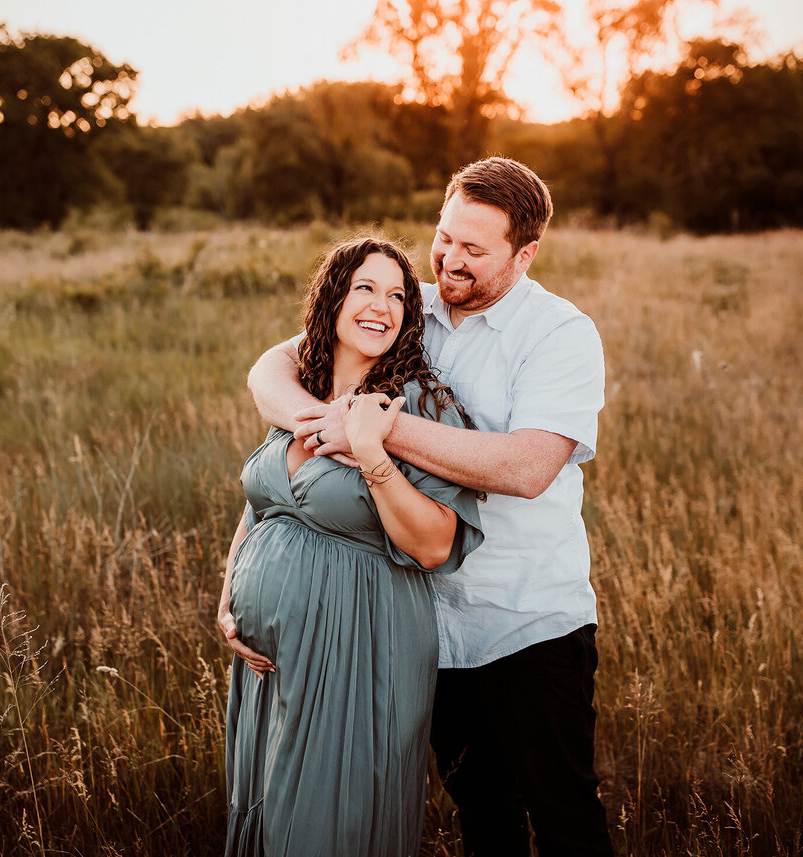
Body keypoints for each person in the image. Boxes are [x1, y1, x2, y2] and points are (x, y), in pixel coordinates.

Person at [247, 158, 612, 856]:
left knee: (564, 815)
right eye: (445, 237)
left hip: (527, 623)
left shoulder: (560, 334)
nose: (449, 259)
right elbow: (270, 366)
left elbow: (530, 466)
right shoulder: (406, 305)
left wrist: (375, 427)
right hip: (423, 627)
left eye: (475, 249)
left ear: (525, 253)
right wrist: (316, 418)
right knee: (483, 814)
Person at [217, 236, 484, 857]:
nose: (381, 306)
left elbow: (434, 544)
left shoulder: (421, 405)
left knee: (326, 825)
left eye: (397, 295)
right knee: (264, 809)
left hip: (361, 643)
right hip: (268, 665)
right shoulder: (300, 395)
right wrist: (229, 600)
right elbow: (262, 504)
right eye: (365, 287)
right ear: (333, 298)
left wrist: (372, 456)